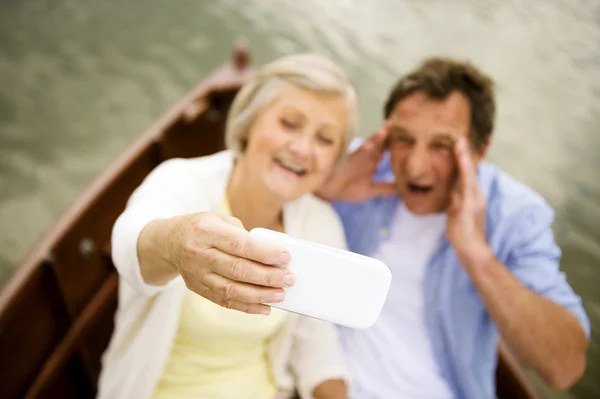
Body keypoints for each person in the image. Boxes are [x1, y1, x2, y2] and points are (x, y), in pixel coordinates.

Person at [316, 57, 591, 398]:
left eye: (441, 146)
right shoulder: (359, 166)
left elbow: (564, 368)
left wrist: (476, 254)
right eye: (403, 139)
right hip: (320, 376)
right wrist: (322, 192)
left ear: (480, 150)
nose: (414, 166)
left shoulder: (516, 216)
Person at [96, 52, 359, 399]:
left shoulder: (321, 224)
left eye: (324, 140)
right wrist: (176, 245)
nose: (301, 148)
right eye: (289, 123)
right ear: (249, 123)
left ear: (334, 161)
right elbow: (131, 244)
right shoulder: (182, 180)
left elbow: (315, 346)